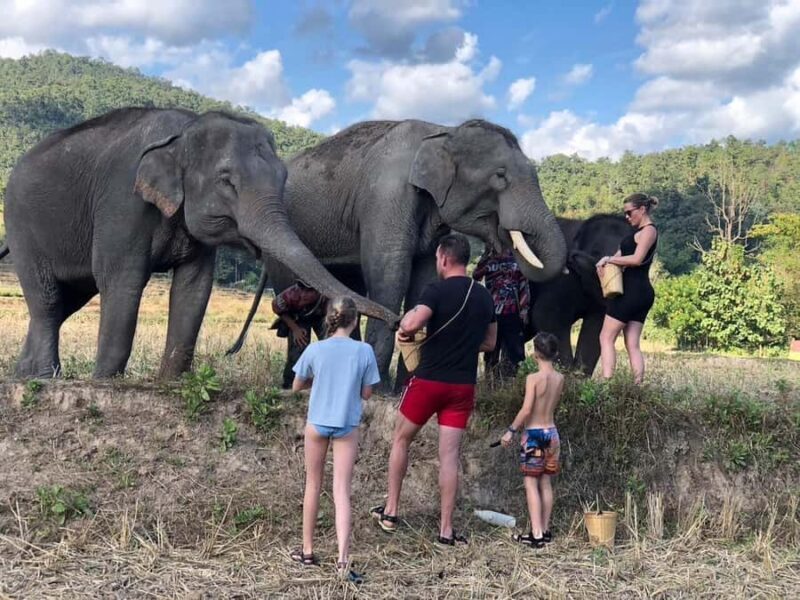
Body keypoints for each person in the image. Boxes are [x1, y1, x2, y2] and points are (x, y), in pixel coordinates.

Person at [370, 233, 497, 545]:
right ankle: (445, 529)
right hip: (462, 386)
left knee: (401, 439)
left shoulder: (436, 290)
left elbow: (411, 325)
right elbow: (491, 343)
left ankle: (391, 511)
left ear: (443, 258)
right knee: (450, 456)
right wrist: (464, 346)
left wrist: (409, 319)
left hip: (428, 382)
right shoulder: (484, 296)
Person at [289, 296, 380, 583]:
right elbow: (367, 393)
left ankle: (307, 550)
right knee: (341, 491)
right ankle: (342, 561)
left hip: (317, 422)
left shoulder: (317, 349)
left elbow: (296, 386)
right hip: (346, 425)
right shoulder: (364, 351)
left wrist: (319, 381)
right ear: (355, 321)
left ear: (330, 318)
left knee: (312, 484)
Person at [500, 332, 563, 548]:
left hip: (534, 435)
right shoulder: (560, 378)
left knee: (530, 483)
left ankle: (535, 534)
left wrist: (511, 430)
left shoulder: (533, 379)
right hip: (553, 434)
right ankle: (544, 530)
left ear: (536, 353)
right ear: (554, 353)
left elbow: (527, 409)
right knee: (546, 481)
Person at [595, 193, 659, 384]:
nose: (627, 217)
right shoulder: (633, 234)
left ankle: (606, 384)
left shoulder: (649, 231)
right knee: (632, 344)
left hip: (633, 291)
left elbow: (636, 259)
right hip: (638, 293)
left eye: (630, 212)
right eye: (625, 214)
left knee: (606, 337)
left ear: (642, 209)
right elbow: (618, 259)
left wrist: (609, 259)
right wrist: (604, 266)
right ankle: (637, 387)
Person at [472, 246, 530, 379]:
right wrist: (485, 258)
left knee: (514, 351)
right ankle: (489, 383)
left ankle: (512, 382)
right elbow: (476, 276)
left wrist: (524, 310)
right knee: (491, 351)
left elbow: (524, 285)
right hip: (492, 314)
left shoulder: (517, 257)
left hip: (513, 312)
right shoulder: (488, 258)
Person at [271, 280, 328, 389]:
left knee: (330, 343)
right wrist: (295, 329)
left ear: (317, 292)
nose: (303, 294)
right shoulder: (291, 294)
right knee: (299, 344)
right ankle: (290, 382)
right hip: (299, 319)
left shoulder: (327, 298)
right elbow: (277, 307)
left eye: (308, 291)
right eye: (302, 289)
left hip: (322, 317)